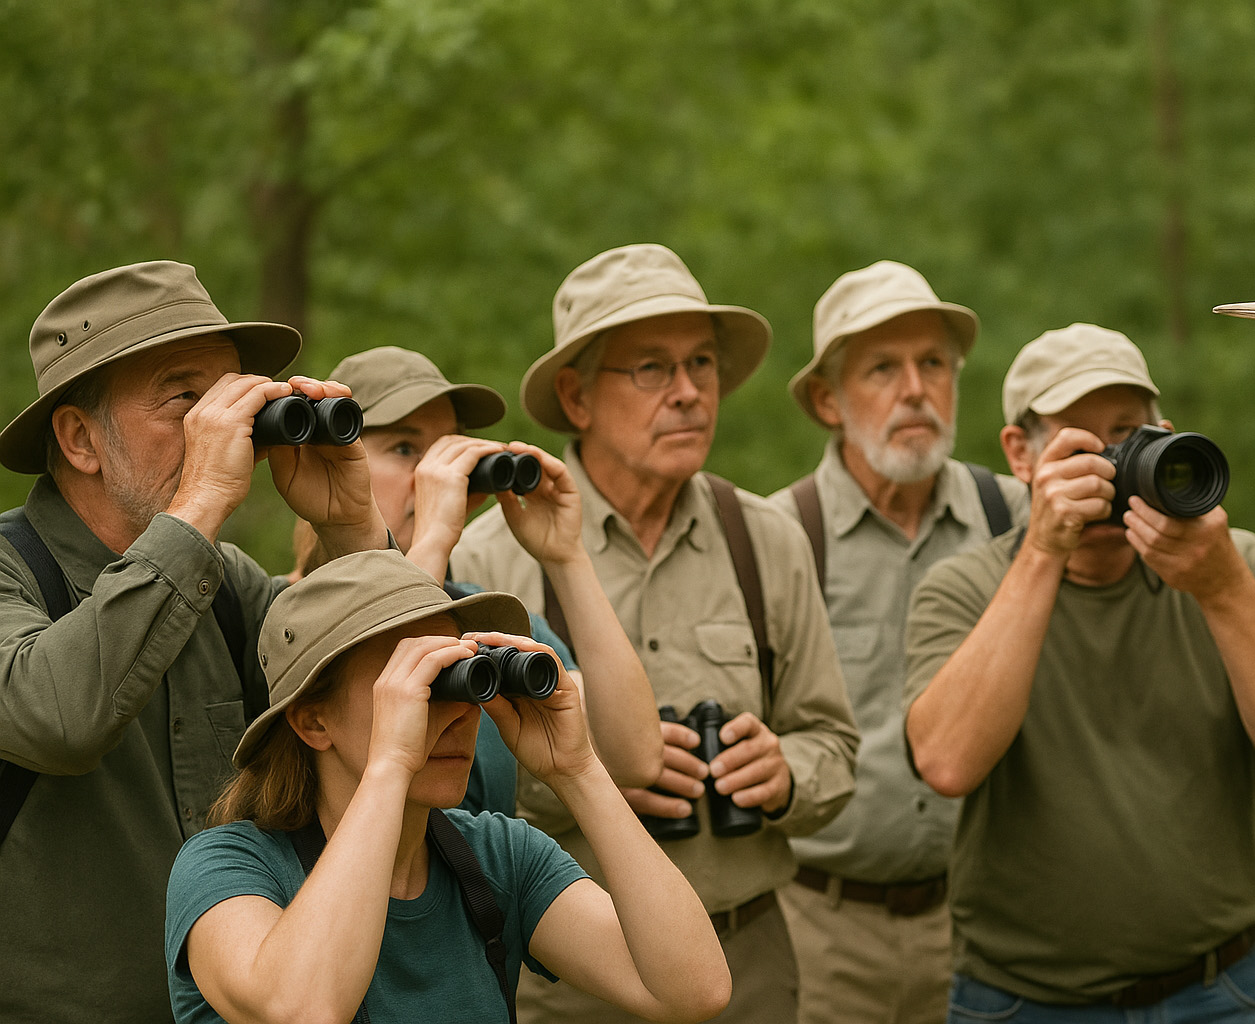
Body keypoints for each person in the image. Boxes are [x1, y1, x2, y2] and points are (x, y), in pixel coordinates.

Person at [452, 242, 861, 1023]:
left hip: (750, 963)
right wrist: (592, 775)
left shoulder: (767, 539)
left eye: (702, 364)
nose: (689, 393)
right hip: (572, 978)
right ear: (576, 397)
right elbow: (454, 798)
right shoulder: (490, 559)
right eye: (652, 369)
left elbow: (835, 746)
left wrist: (786, 773)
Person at [0, 261, 390, 1023]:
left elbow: (384, 712)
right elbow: (57, 719)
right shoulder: (14, 571)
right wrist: (203, 498)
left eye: (232, 394)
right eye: (185, 398)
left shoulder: (226, 584)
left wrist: (350, 529)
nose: (225, 423)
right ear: (80, 439)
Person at [903, 323, 1255, 1023]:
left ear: (1166, 439)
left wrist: (1221, 590)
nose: (1110, 467)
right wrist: (1042, 553)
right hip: (1023, 1001)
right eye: (1079, 444)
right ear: (1019, 454)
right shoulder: (964, 588)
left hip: (1219, 991)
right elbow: (946, 762)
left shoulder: (1237, 566)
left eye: (1127, 436)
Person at [164, 549, 730, 1024]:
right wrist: (391, 763)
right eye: (420, 687)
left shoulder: (497, 857)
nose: (460, 714)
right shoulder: (225, 868)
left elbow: (693, 991)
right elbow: (304, 1009)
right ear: (314, 722)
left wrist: (578, 771)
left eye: (464, 679)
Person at [768, 260, 1028, 1024]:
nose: (915, 389)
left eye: (933, 364)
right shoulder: (776, 537)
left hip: (990, 928)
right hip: (819, 935)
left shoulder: (1018, 520)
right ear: (828, 400)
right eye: (883, 368)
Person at [300, 345, 663, 814]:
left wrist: (566, 558)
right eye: (405, 448)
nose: (436, 474)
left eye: (447, 450)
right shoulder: (289, 617)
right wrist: (434, 536)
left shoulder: (486, 615)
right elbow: (375, 721)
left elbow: (635, 758)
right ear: (333, 459)